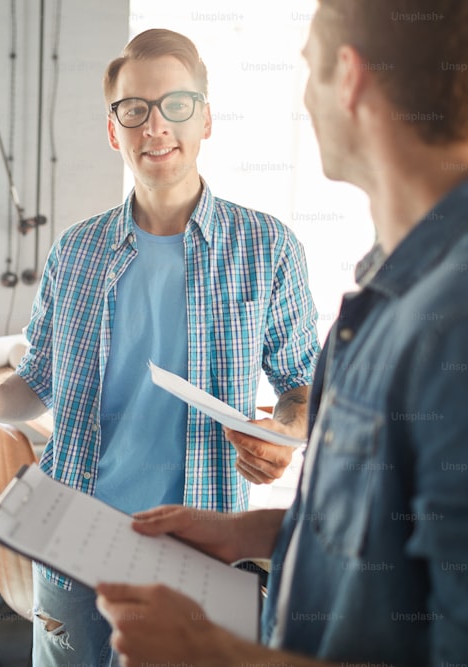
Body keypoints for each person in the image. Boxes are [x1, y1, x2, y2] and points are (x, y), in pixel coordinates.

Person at [0, 28, 321, 666]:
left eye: (176, 105)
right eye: (135, 110)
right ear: (113, 130)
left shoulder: (267, 248)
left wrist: (283, 434)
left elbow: (301, 387)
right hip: (71, 528)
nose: (156, 126)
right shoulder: (76, 250)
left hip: (201, 540)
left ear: (206, 119)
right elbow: (29, 388)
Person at [96, 1, 468, 665]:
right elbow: (381, 533)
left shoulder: (452, 320)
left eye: (307, 71)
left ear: (348, 78)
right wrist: (252, 530)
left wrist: (215, 653)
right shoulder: (385, 291)